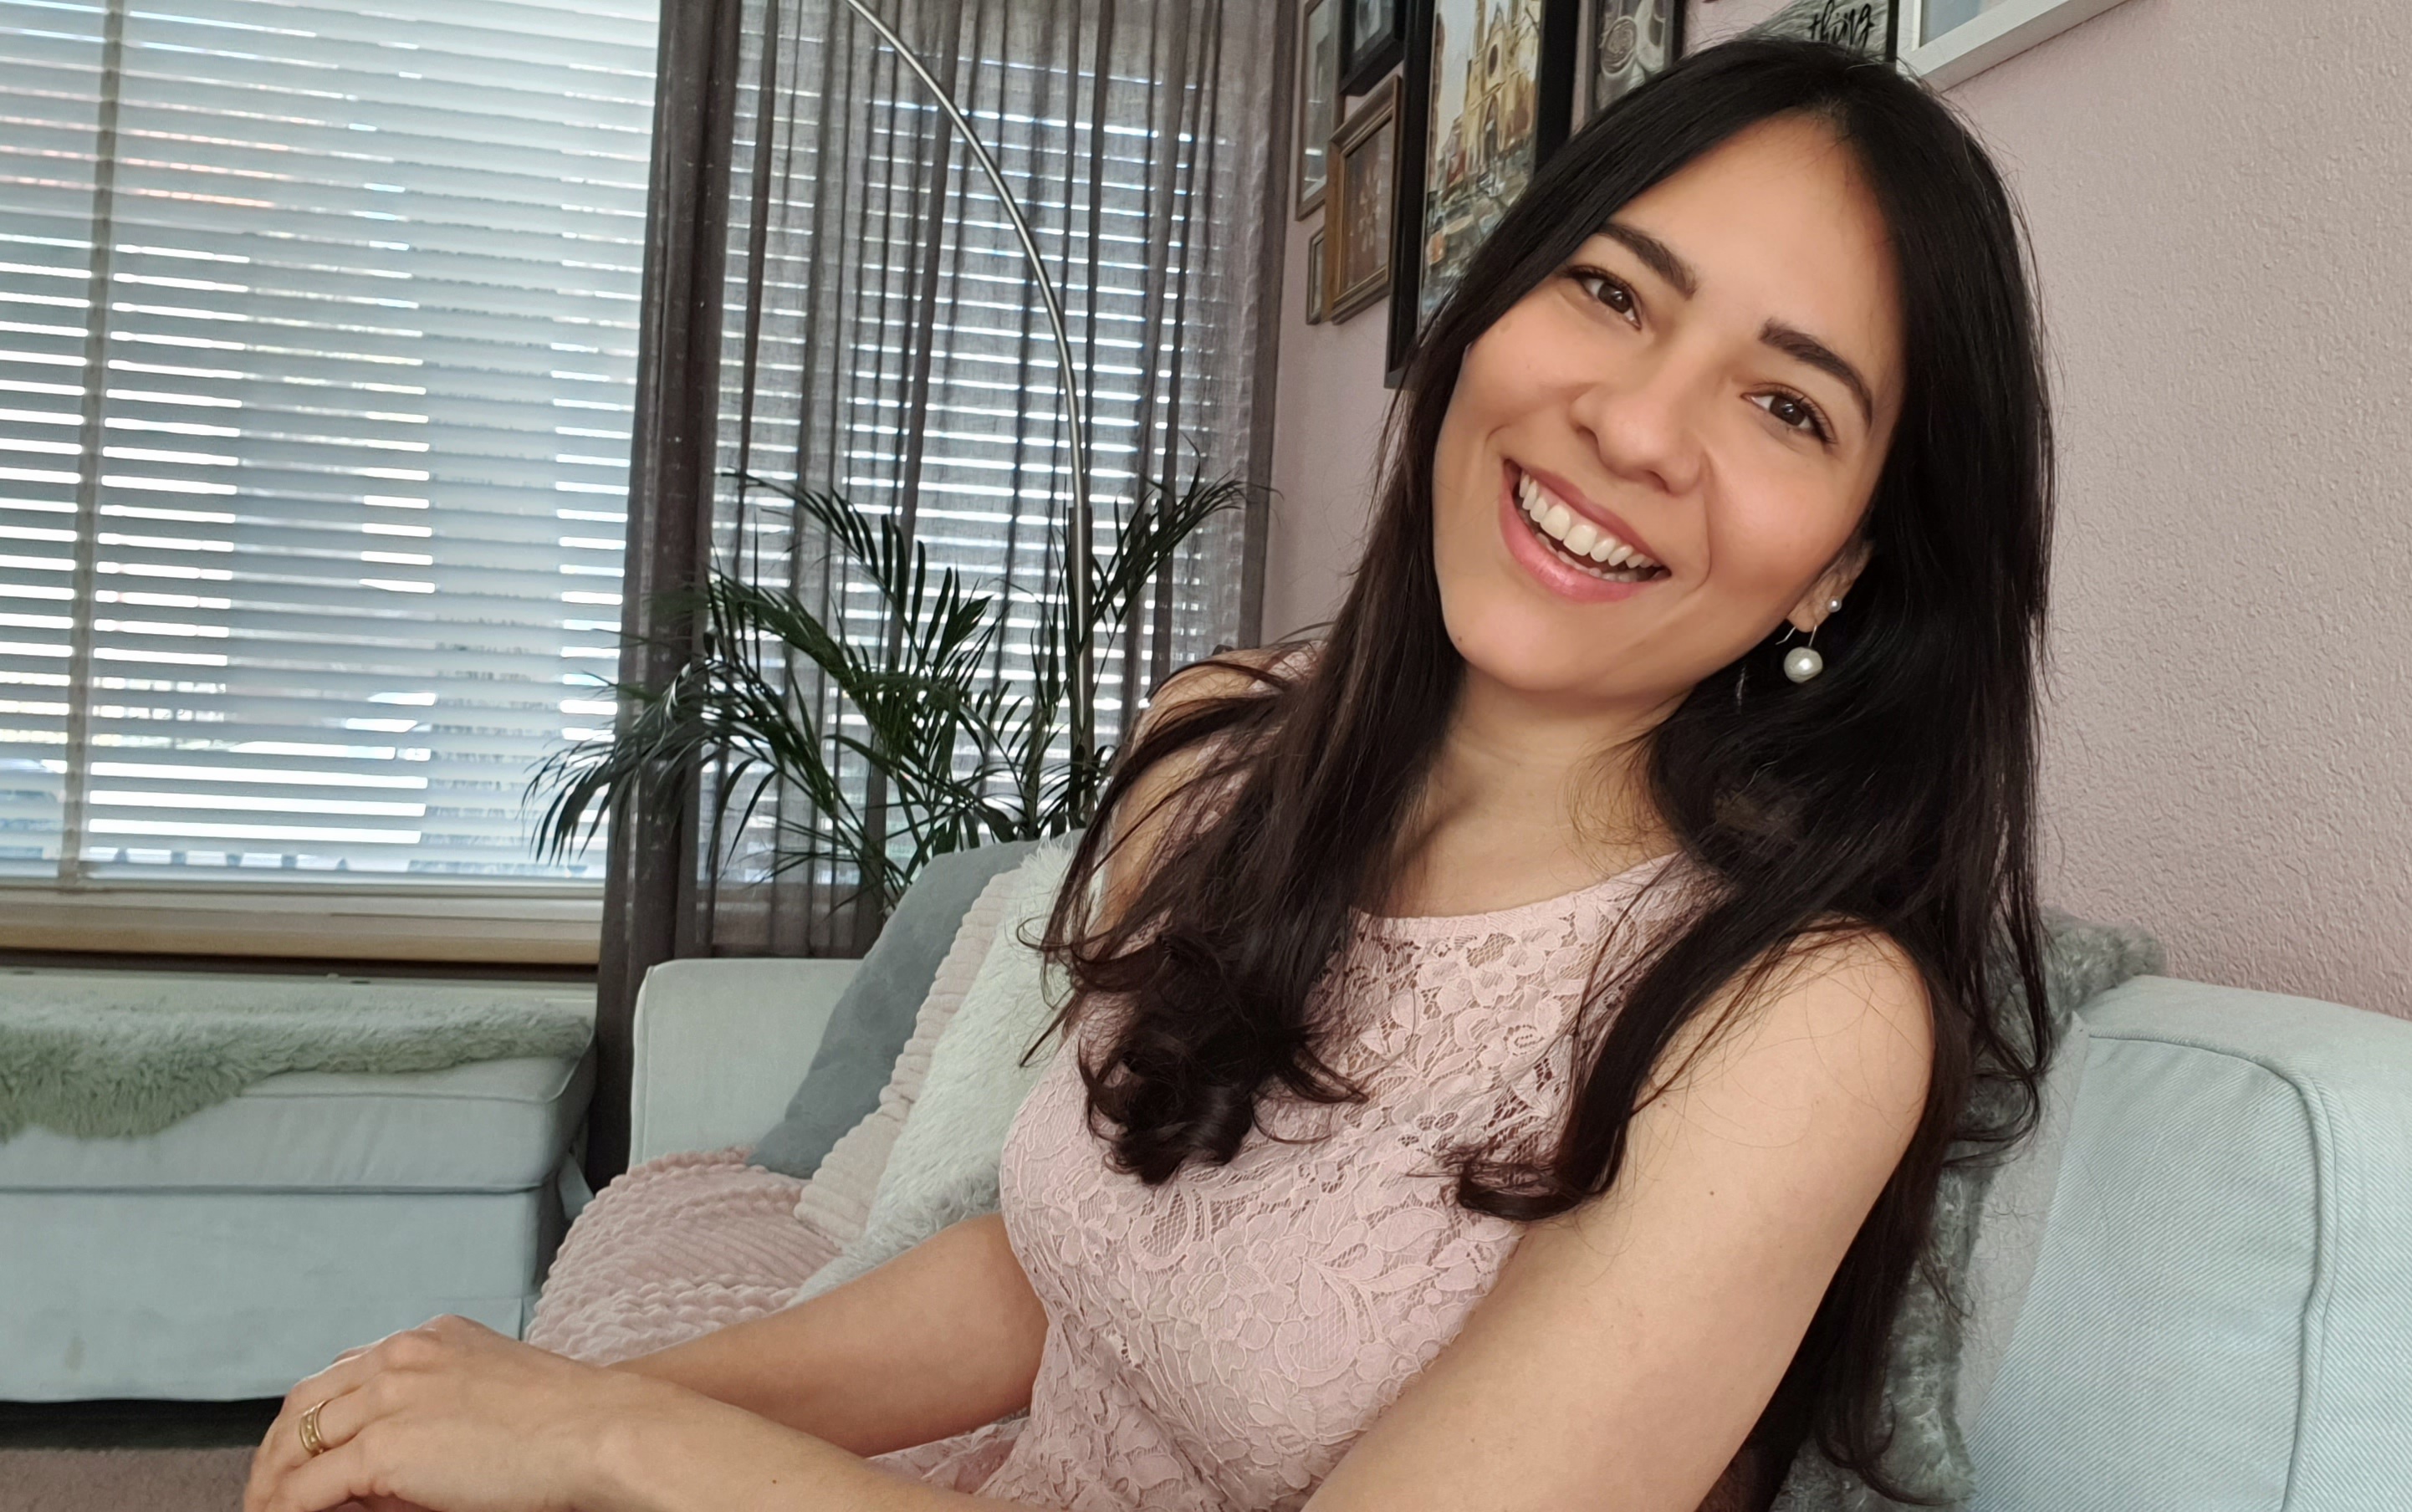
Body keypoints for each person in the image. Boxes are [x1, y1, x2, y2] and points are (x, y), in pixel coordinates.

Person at [243, 35, 2057, 1512]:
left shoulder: (1796, 1018)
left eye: (1786, 405)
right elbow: (1065, 1283)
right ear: (1491, 308)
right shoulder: (1221, 753)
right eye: (1607, 291)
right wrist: (569, 1402)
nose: (1639, 424)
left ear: (1843, 563)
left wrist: (617, 1447)